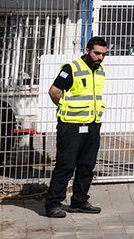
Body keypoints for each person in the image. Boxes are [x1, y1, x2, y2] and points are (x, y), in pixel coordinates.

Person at [44, 37, 108, 218]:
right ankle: (53, 204)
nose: (100, 57)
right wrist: (64, 107)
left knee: (87, 165)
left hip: (92, 124)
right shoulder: (71, 69)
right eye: (97, 53)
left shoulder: (100, 71)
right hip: (71, 125)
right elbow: (54, 92)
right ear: (87, 50)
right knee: (66, 165)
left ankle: (79, 201)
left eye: (103, 54)